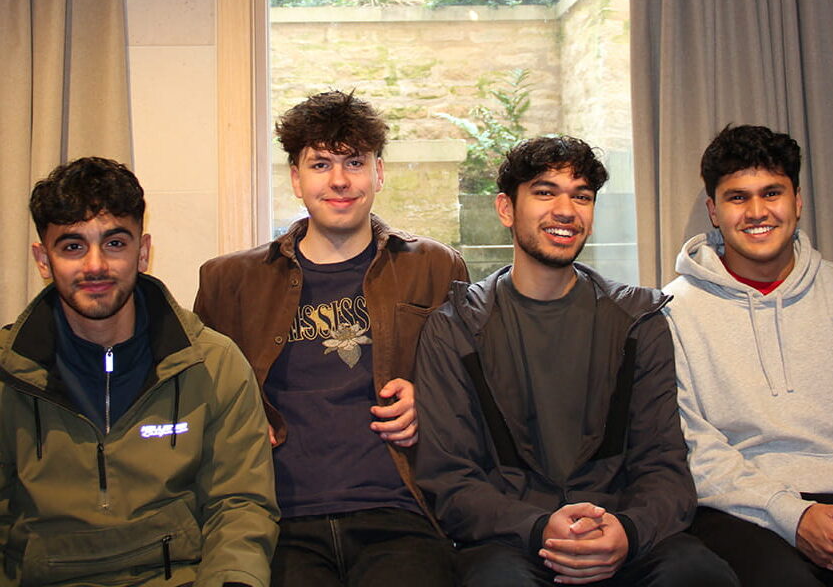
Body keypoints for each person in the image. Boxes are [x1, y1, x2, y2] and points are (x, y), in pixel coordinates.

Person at [415, 135, 738, 586]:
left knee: (699, 574)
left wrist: (626, 531)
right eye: (545, 192)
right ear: (506, 209)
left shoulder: (638, 321)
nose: (566, 210)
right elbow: (449, 479)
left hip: (623, 532)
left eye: (581, 196)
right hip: (511, 540)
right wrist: (537, 527)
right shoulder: (455, 328)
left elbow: (663, 465)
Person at [194, 90, 468, 587]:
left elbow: (478, 389)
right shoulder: (229, 282)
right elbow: (201, 407)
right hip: (280, 520)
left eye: (354, 162)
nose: (339, 180)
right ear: (296, 179)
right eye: (320, 164)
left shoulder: (434, 267)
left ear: (378, 174)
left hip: (400, 514)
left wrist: (432, 402)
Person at [0, 157, 278, 587]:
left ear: (143, 252)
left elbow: (240, 505)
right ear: (43, 259)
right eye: (73, 246)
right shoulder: (8, 372)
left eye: (114, 243)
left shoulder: (213, 363)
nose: (95, 266)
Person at [665, 124, 833, 586]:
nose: (757, 212)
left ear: (797, 201)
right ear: (713, 210)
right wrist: (792, 515)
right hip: (741, 511)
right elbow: (694, 446)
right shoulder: (673, 311)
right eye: (737, 198)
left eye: (771, 193)